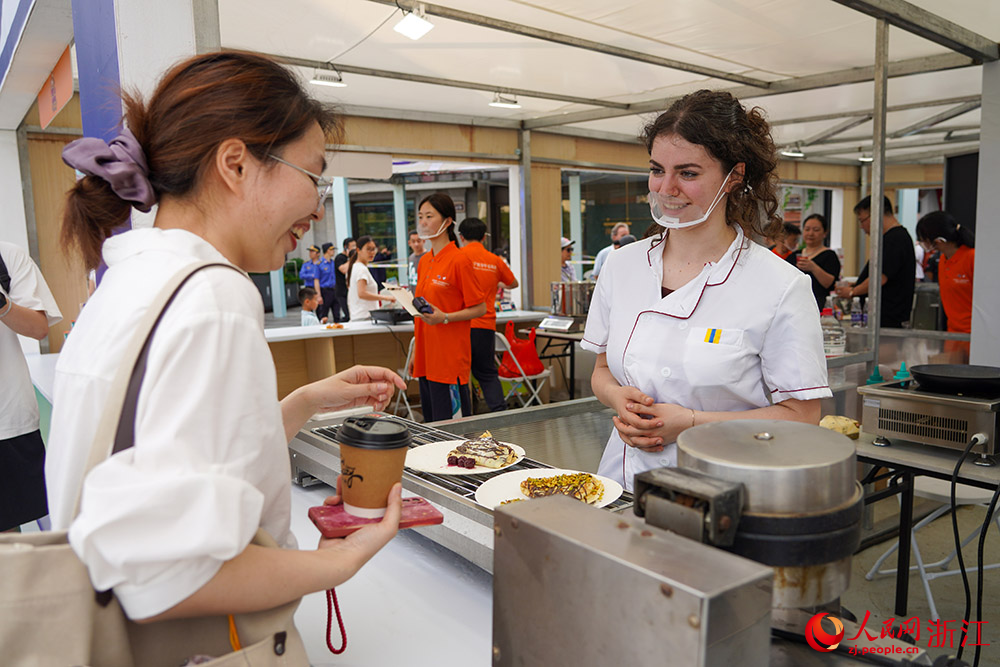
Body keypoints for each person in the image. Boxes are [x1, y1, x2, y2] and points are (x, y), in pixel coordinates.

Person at [48, 52, 407, 626]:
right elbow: (166, 580)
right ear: (236, 164)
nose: (316, 210)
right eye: (312, 177)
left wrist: (302, 404)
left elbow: (160, 457)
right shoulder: (215, 296)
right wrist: (340, 562)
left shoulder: (135, 278)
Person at [582, 89, 829, 492]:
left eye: (688, 173)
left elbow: (803, 416)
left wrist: (692, 423)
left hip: (724, 495)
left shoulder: (779, 286)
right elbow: (602, 370)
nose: (666, 188)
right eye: (657, 169)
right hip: (621, 486)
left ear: (734, 177)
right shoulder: (623, 266)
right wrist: (616, 397)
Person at [0, 242, 62, 532]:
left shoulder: (7, 256)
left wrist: (2, 303)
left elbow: (38, 329)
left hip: (6, 422)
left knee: (8, 541)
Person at [411, 193, 487, 421]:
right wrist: (416, 351)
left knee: (452, 433)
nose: (422, 222)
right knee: (433, 427)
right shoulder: (425, 260)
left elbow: (480, 308)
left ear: (447, 221)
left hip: (449, 360)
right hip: (426, 358)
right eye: (420, 216)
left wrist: (445, 317)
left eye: (429, 216)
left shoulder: (459, 260)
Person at [458, 217, 518, 412]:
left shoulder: (458, 257)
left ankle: (463, 416)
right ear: (484, 237)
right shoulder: (494, 260)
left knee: (460, 374)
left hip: (460, 325)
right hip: (485, 326)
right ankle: (499, 413)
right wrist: (496, 283)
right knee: (487, 373)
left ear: (461, 237)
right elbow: (513, 283)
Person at [835, 195, 916, 328]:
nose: (862, 226)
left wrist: (852, 292)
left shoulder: (895, 239)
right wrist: (856, 284)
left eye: (862, 220)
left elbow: (879, 278)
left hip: (889, 318)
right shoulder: (890, 238)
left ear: (876, 214)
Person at [916, 210, 975, 360]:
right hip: (952, 335)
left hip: (973, 337)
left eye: (924, 240)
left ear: (938, 240)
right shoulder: (943, 261)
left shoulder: (971, 257)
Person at [788, 213, 841, 310]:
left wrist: (813, 267)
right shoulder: (794, 255)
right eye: (807, 229)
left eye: (816, 230)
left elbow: (829, 283)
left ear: (825, 233)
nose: (810, 233)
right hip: (795, 303)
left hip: (819, 304)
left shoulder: (829, 255)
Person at [347, 235, 394, 321]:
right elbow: (362, 293)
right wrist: (386, 297)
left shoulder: (357, 267)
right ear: (358, 250)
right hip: (364, 317)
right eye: (368, 249)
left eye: (374, 249)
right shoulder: (361, 269)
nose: (372, 252)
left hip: (361, 316)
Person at [333, 237, 355, 322]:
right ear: (346, 247)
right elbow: (343, 270)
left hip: (349, 290)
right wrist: (351, 258)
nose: (354, 248)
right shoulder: (340, 258)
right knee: (347, 315)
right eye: (352, 246)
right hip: (341, 291)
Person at [317, 241, 340, 322]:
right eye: (332, 249)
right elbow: (316, 280)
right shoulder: (319, 263)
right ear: (327, 250)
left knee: (337, 314)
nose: (333, 251)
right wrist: (318, 295)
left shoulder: (333, 263)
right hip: (325, 291)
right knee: (324, 315)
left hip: (334, 290)